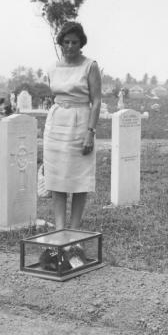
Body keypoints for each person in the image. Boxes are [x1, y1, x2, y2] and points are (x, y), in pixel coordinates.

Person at [43, 22, 101, 230]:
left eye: (74, 42)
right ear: (60, 43)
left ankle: (74, 230)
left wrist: (90, 133)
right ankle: (59, 230)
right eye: (66, 42)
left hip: (81, 121)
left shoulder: (90, 66)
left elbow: (96, 101)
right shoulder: (52, 68)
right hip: (57, 123)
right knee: (57, 178)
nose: (70, 46)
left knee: (78, 179)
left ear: (81, 43)